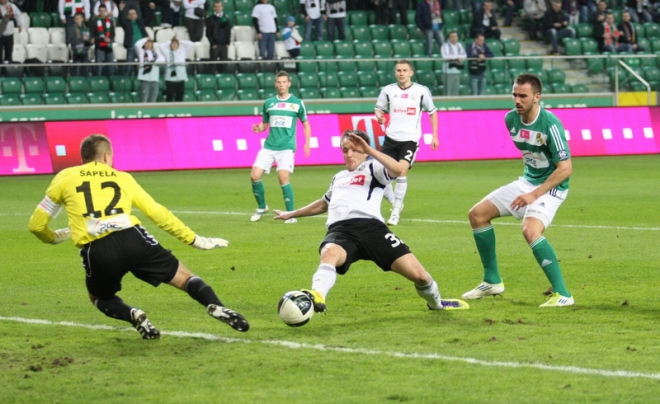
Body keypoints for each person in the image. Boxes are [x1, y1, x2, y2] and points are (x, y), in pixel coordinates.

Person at [27, 134, 249, 340]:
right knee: (184, 277)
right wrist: (196, 240)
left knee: (99, 297)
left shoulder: (64, 177)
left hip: (98, 250)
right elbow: (156, 212)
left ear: (83, 157)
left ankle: (133, 314)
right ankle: (215, 305)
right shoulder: (123, 178)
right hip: (133, 239)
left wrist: (53, 237)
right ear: (106, 156)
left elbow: (36, 225)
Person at [272, 130, 469, 313]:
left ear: (365, 152)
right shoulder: (338, 177)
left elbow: (399, 169)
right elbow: (323, 204)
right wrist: (292, 214)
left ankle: (437, 304)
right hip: (341, 230)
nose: (349, 154)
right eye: (345, 150)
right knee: (329, 252)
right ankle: (317, 295)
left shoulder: (373, 167)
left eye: (355, 150)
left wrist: (369, 151)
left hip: (372, 229)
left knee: (420, 276)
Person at [463, 73, 574, 308]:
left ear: (537, 97)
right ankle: (492, 281)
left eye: (523, 96)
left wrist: (534, 194)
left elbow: (565, 169)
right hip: (527, 182)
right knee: (477, 214)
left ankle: (563, 294)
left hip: (551, 188)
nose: (517, 100)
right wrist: (529, 188)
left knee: (530, 230)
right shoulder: (510, 119)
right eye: (514, 94)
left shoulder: (551, 124)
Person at [374, 59, 439, 226]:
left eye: (404, 70)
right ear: (395, 72)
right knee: (380, 173)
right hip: (390, 139)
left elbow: (432, 112)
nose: (401, 73)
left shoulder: (421, 91)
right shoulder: (388, 91)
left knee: (401, 171)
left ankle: (395, 211)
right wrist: (379, 115)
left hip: (410, 140)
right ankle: (396, 202)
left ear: (411, 73)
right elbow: (379, 108)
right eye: (398, 70)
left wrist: (435, 135)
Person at [250, 70, 312, 224]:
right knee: (254, 176)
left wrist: (307, 143)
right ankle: (262, 207)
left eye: (284, 82)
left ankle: (290, 214)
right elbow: (264, 123)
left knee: (283, 177)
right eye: (279, 82)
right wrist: (259, 128)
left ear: (289, 84)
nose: (281, 85)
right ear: (275, 84)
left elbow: (306, 124)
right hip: (269, 146)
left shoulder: (297, 103)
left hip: (286, 147)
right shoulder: (269, 103)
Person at [160, 37, 194, 102]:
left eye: (176, 43)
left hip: (180, 79)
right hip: (170, 79)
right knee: (169, 97)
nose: (174, 45)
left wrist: (180, 41)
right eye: (173, 43)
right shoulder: (167, 52)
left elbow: (191, 44)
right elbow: (161, 46)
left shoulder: (182, 51)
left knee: (180, 97)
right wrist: (170, 41)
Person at [119, 3, 148, 76]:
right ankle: (127, 82)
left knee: (142, 66)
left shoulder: (140, 22)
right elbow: (121, 19)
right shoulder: (126, 24)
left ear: (136, 15)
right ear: (128, 15)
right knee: (129, 66)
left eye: (133, 14)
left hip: (142, 48)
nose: (132, 15)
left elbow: (148, 19)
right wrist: (121, 11)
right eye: (130, 14)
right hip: (131, 47)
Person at [206, 1, 232, 73]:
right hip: (215, 45)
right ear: (214, 8)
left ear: (222, 7)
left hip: (224, 45)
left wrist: (228, 42)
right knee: (213, 64)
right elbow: (208, 33)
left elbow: (228, 31)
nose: (218, 8)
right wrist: (213, 43)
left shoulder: (226, 18)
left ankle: (223, 80)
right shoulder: (210, 19)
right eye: (216, 6)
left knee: (224, 64)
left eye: (219, 6)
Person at [91, 4, 116, 78]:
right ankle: (99, 82)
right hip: (99, 47)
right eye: (100, 11)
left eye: (103, 10)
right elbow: (92, 36)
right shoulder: (94, 21)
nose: (102, 12)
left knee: (111, 66)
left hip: (109, 46)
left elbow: (113, 33)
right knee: (99, 67)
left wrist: (110, 39)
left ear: (106, 11)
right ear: (98, 11)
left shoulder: (110, 21)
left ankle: (110, 82)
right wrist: (102, 39)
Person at [136, 37, 163, 102]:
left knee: (153, 100)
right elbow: (137, 44)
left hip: (154, 80)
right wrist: (145, 39)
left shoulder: (156, 54)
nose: (148, 44)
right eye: (147, 43)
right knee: (144, 99)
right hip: (145, 79)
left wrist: (152, 62)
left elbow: (163, 59)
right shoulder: (141, 52)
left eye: (150, 43)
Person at [440, 30, 467, 96]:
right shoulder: (445, 46)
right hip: (448, 71)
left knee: (456, 89)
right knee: (448, 89)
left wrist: (455, 57)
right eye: (452, 37)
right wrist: (457, 57)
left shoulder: (459, 45)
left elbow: (464, 55)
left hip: (457, 70)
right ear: (449, 38)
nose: (454, 38)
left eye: (455, 36)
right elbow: (445, 57)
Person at [68, 12, 91, 76]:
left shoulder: (87, 29)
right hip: (76, 51)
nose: (78, 20)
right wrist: (81, 39)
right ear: (74, 20)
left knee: (86, 69)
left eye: (79, 18)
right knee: (76, 69)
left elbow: (89, 41)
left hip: (85, 51)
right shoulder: (71, 29)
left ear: (82, 19)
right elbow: (71, 40)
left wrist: (90, 41)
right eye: (76, 19)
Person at [0, 0, 22, 64]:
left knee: (9, 53)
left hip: (9, 34)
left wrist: (19, 25)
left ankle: (8, 70)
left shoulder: (12, 6)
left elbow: (18, 15)